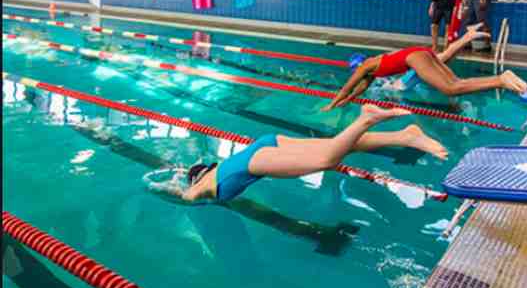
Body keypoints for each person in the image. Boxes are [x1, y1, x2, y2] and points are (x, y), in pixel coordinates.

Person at [148, 105, 447, 204]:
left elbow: (183, 196)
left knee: (327, 160)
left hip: (255, 162)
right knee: (339, 144)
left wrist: (160, 186)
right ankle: (406, 135)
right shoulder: (219, 169)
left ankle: (366, 118)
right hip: (264, 144)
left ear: (196, 179)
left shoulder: (201, 187)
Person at [322, 34, 527, 111]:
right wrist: (347, 101)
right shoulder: (370, 70)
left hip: (414, 58)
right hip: (417, 53)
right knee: (456, 83)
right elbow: (358, 89)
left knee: (450, 89)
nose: (355, 73)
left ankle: (501, 80)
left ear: (356, 66)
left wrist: (332, 104)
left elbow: (347, 87)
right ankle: (502, 78)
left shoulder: (365, 66)